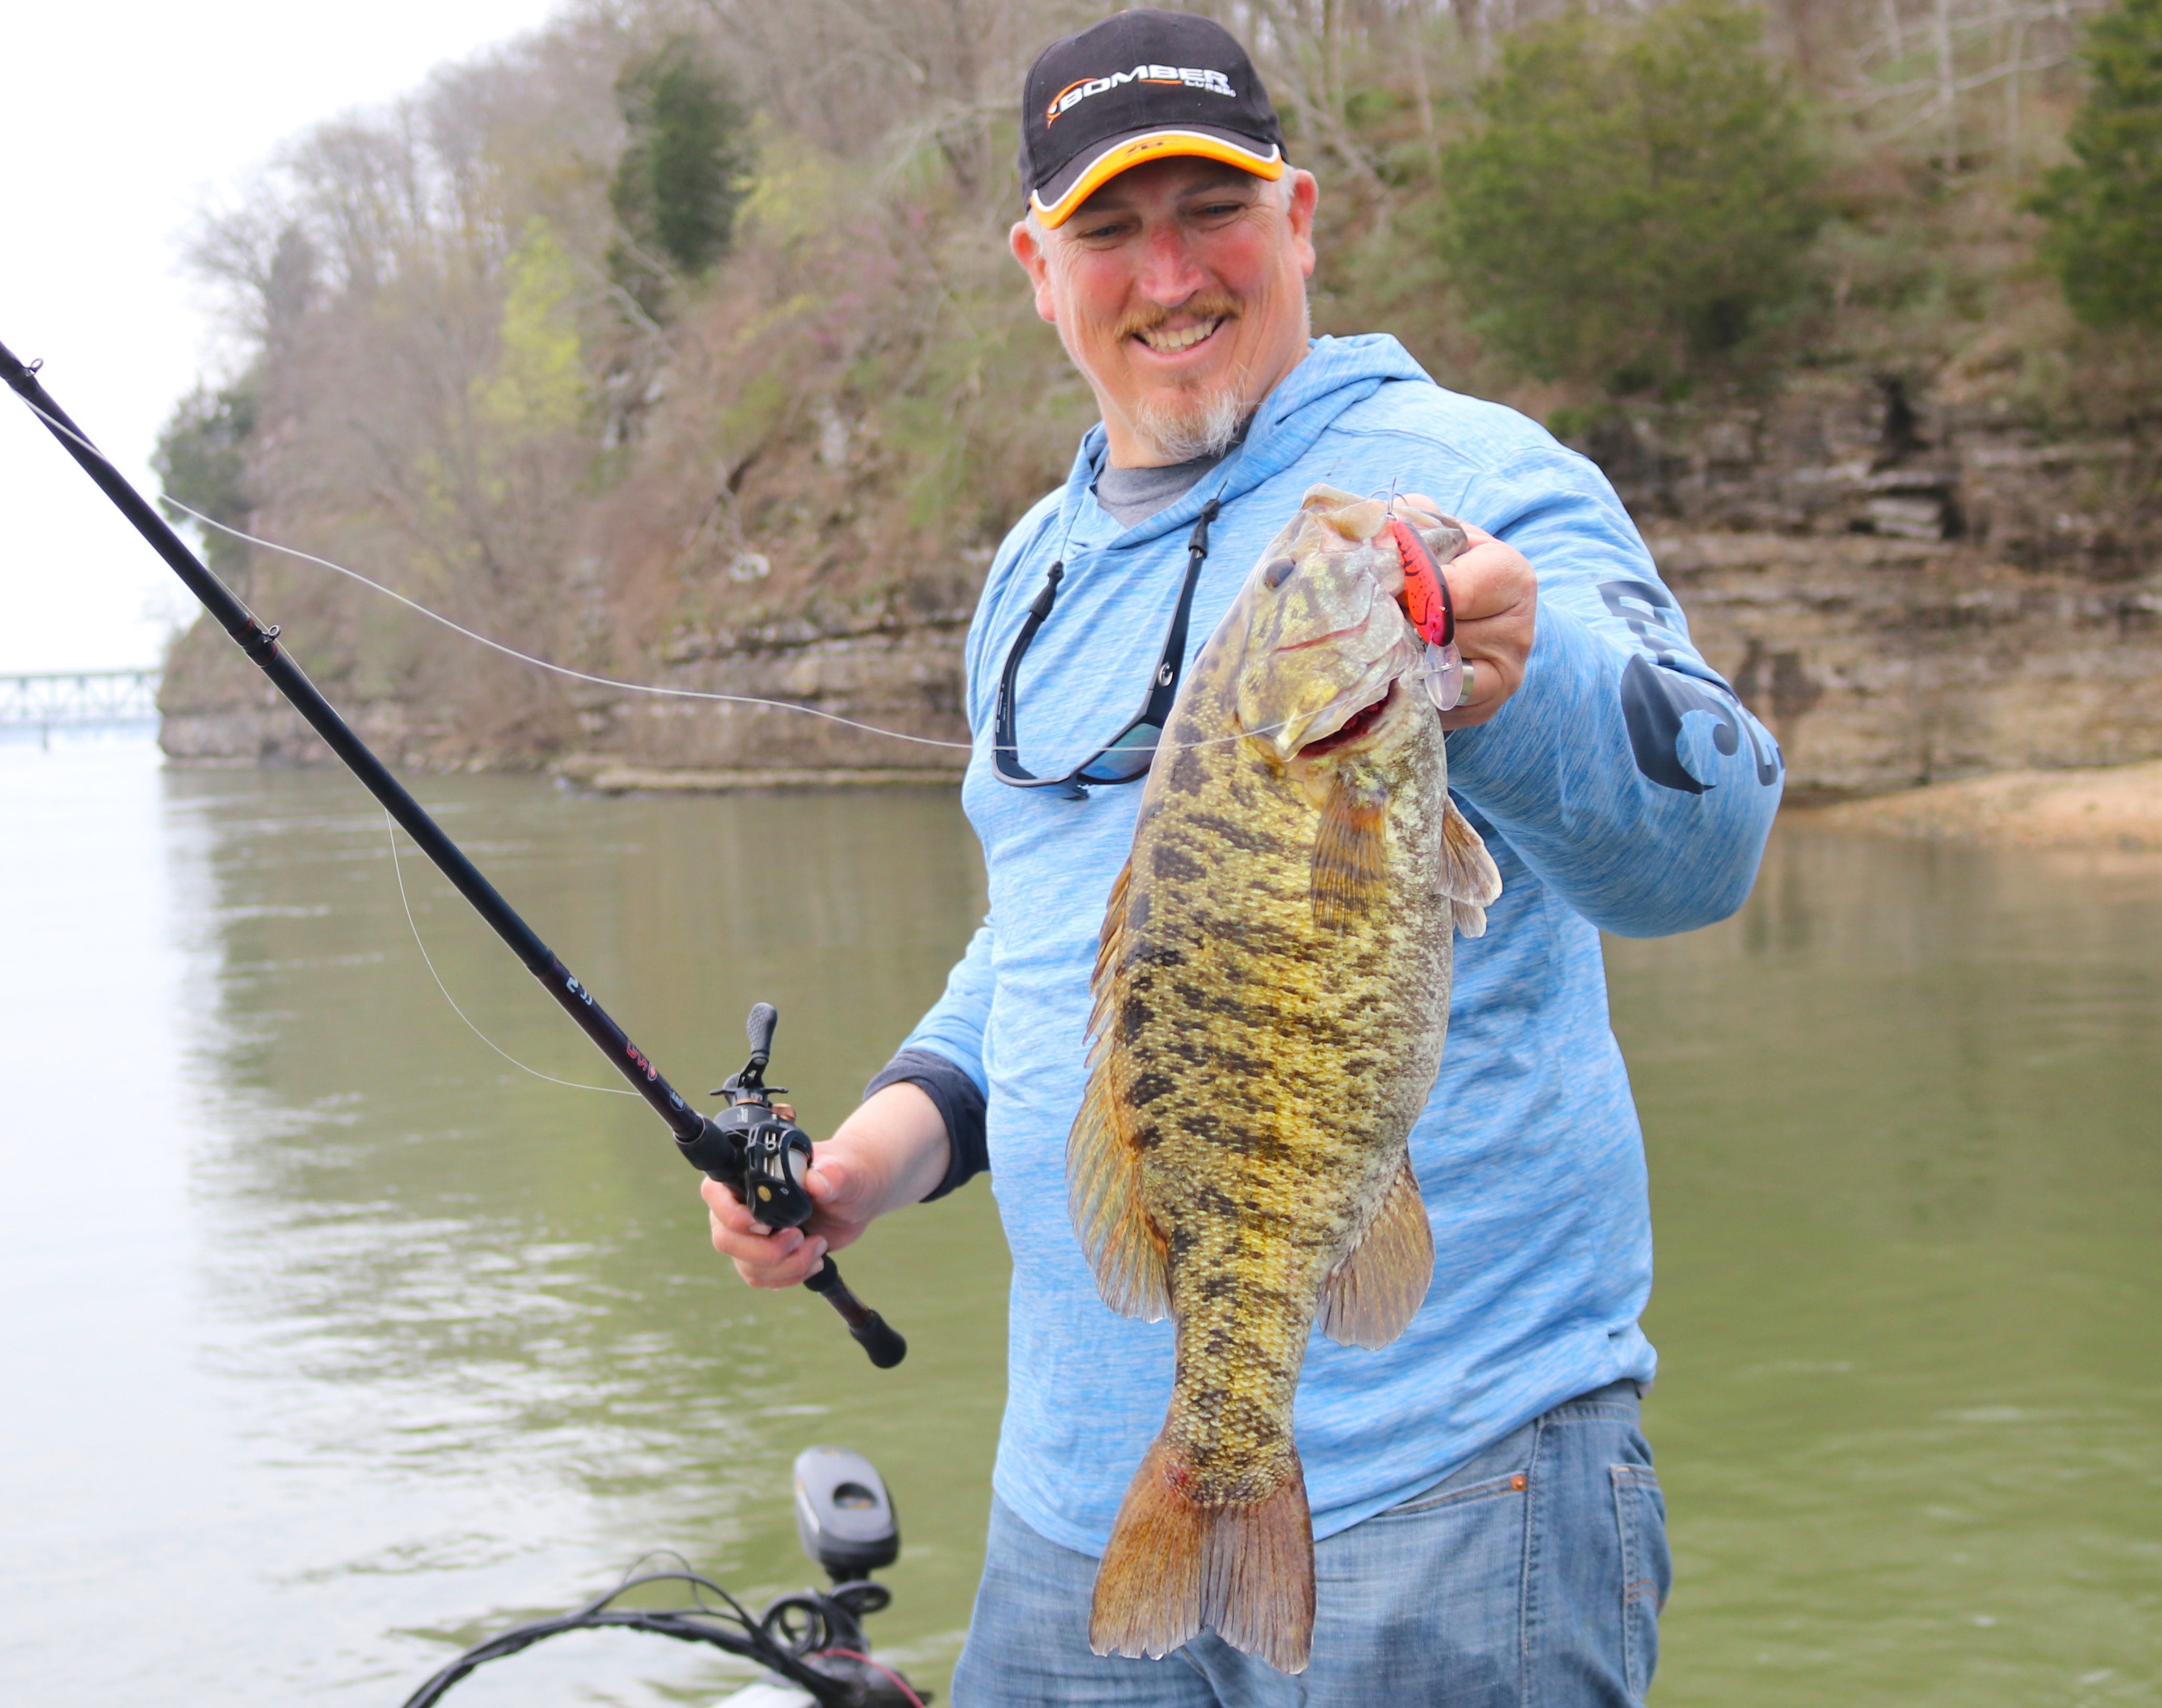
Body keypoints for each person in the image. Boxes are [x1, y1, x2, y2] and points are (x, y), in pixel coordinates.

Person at [702, 10, 1782, 1703]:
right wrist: (869, 1162)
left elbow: (1712, 840)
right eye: (1111, 230)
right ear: (1036, 267)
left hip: (1451, 1483)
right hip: (1080, 1508)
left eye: (1213, 210)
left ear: (1301, 218)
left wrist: (1524, 675)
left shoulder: (1469, 483)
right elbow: (1056, 952)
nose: (1168, 274)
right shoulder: (1031, 572)